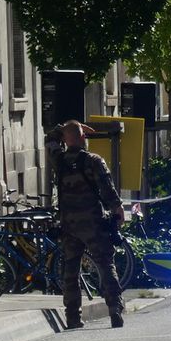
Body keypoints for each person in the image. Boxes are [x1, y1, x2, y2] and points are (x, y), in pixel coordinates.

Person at [46, 120, 125, 329]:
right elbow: (107, 188)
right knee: (105, 264)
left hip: (69, 224)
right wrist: (117, 209)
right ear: (83, 138)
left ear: (65, 140)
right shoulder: (93, 161)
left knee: (70, 270)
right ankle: (115, 308)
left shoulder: (59, 160)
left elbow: (50, 139)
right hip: (93, 222)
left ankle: (73, 317)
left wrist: (64, 129)